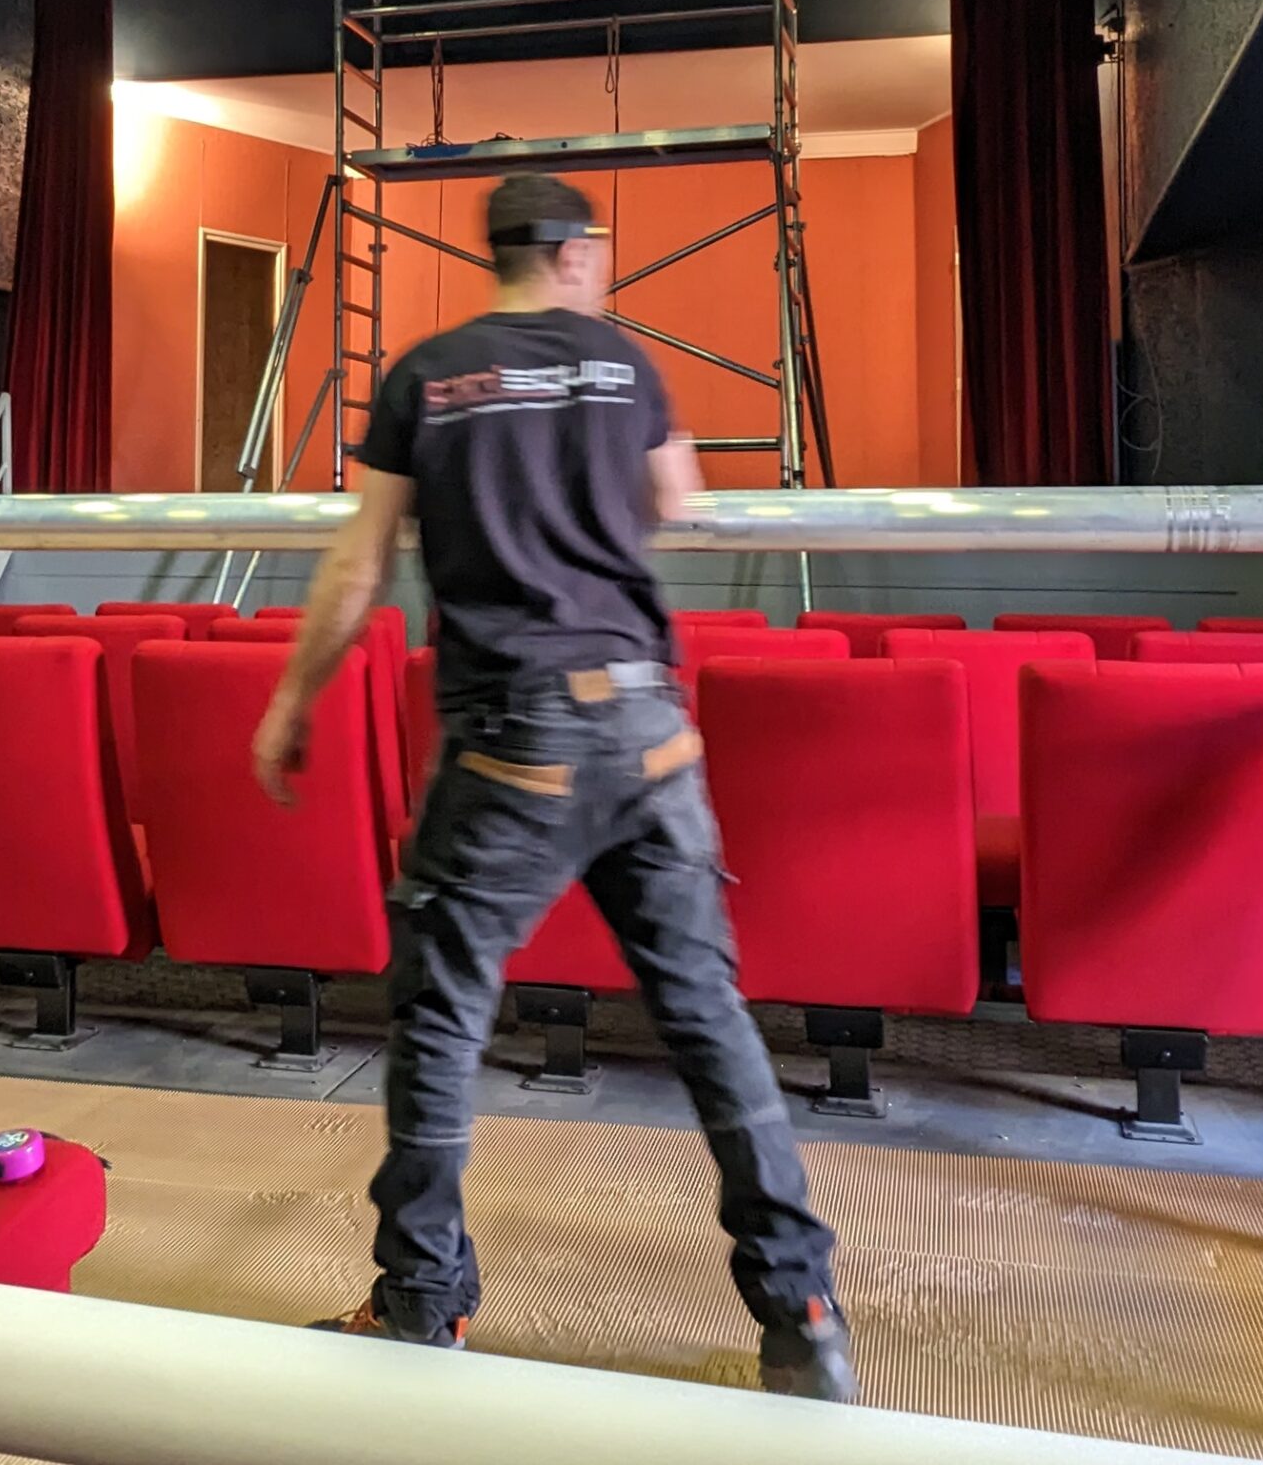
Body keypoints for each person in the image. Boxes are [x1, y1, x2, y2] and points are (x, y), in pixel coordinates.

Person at [250, 172, 854, 1402]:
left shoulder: (426, 374)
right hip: (649, 728)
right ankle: (800, 1310)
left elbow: (359, 566)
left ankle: (421, 1303)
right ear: (577, 253)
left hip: (511, 739)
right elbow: (678, 501)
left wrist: (291, 701)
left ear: (501, 255)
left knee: (441, 1017)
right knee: (707, 1017)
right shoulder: (626, 365)